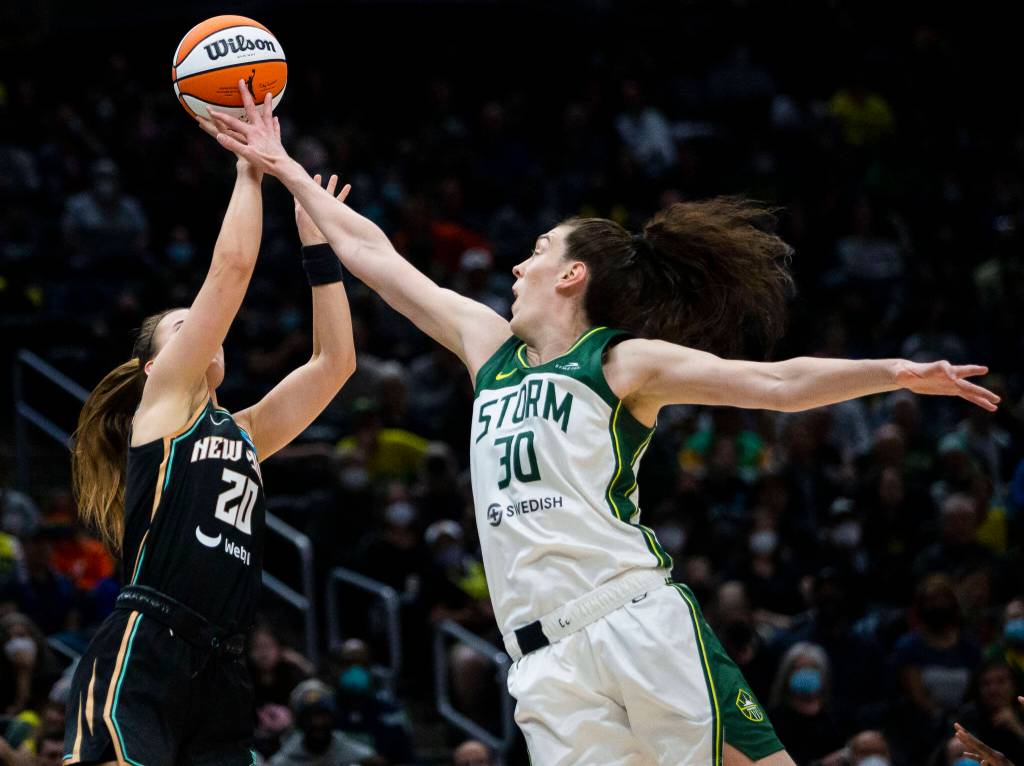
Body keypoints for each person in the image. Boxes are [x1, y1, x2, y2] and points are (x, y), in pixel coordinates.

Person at [211, 81, 999, 766]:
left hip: (633, 623)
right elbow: (377, 258)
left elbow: (778, 384)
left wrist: (893, 372)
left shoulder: (620, 362)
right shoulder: (490, 351)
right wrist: (282, 167)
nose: (514, 268)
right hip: (543, 660)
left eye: (534, 253)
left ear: (571, 274)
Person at [62, 92, 356, 766]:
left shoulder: (245, 432)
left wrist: (317, 239)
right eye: (182, 322)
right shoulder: (161, 404)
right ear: (155, 361)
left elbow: (335, 363)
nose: (200, 324)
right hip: (149, 642)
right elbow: (230, 274)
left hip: (222, 667)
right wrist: (251, 169)